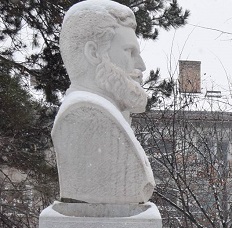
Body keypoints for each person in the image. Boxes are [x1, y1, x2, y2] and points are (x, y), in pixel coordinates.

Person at [53, 0, 155, 204]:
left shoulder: (110, 117)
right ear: (94, 53)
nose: (141, 66)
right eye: (129, 52)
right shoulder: (85, 118)